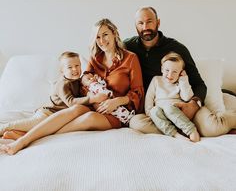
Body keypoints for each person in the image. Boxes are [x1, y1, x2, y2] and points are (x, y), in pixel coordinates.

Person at [0, 18, 144, 155]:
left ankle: (24, 138)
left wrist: (116, 101)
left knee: (90, 118)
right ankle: (23, 139)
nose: (101, 40)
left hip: (117, 112)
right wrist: (88, 83)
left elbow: (138, 92)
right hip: (94, 104)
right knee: (75, 109)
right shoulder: (96, 58)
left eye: (105, 34)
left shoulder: (130, 58)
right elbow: (84, 79)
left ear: (114, 33)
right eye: (97, 37)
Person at [124, 6, 236, 137]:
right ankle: (180, 129)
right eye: (140, 23)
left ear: (158, 23)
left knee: (212, 128)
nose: (145, 27)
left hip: (183, 105)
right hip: (159, 112)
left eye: (149, 21)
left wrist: (193, 104)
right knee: (135, 123)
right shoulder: (128, 47)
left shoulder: (177, 49)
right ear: (135, 26)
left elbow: (198, 83)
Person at [0, 51, 106, 140]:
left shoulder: (77, 81)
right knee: (33, 124)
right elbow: (71, 103)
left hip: (60, 116)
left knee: (47, 130)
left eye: (77, 65)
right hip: (48, 113)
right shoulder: (63, 84)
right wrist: (92, 99)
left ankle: (17, 135)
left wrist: (91, 81)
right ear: (62, 71)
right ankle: (4, 127)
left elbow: (85, 85)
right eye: (70, 67)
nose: (75, 69)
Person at [145, 52, 200, 142]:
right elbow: (149, 97)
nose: (170, 75)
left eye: (175, 72)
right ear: (162, 69)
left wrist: (183, 79)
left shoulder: (180, 82)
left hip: (175, 112)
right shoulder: (156, 80)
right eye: (167, 70)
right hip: (160, 113)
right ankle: (175, 134)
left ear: (180, 72)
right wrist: (149, 112)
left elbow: (187, 97)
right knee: (154, 111)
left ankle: (191, 131)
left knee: (169, 108)